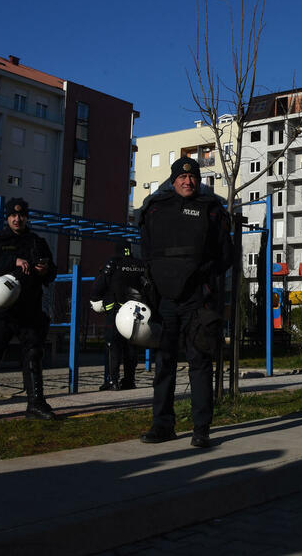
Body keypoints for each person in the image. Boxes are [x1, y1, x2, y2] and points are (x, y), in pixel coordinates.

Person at [138, 157, 232, 447]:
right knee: (164, 363)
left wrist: (204, 280)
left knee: (199, 362)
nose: (187, 181)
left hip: (197, 299)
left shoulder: (212, 210)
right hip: (165, 300)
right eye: (182, 177)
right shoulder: (154, 208)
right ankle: (162, 425)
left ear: (198, 180)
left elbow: (225, 255)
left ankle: (201, 428)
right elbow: (145, 252)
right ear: (174, 178)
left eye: (192, 177)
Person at [0, 198, 58, 421]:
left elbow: (52, 273)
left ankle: (36, 403)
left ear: (26, 217)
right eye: (13, 215)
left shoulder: (37, 242)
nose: (17, 219)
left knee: (33, 355)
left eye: (21, 215)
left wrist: (44, 269)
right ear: (7, 217)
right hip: (2, 310)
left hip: (30, 308)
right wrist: (12, 261)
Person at [90, 241, 147, 391]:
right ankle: (129, 380)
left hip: (116, 311)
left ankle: (112, 381)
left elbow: (98, 286)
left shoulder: (113, 263)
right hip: (137, 313)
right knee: (131, 346)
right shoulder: (140, 264)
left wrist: (95, 299)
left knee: (113, 345)